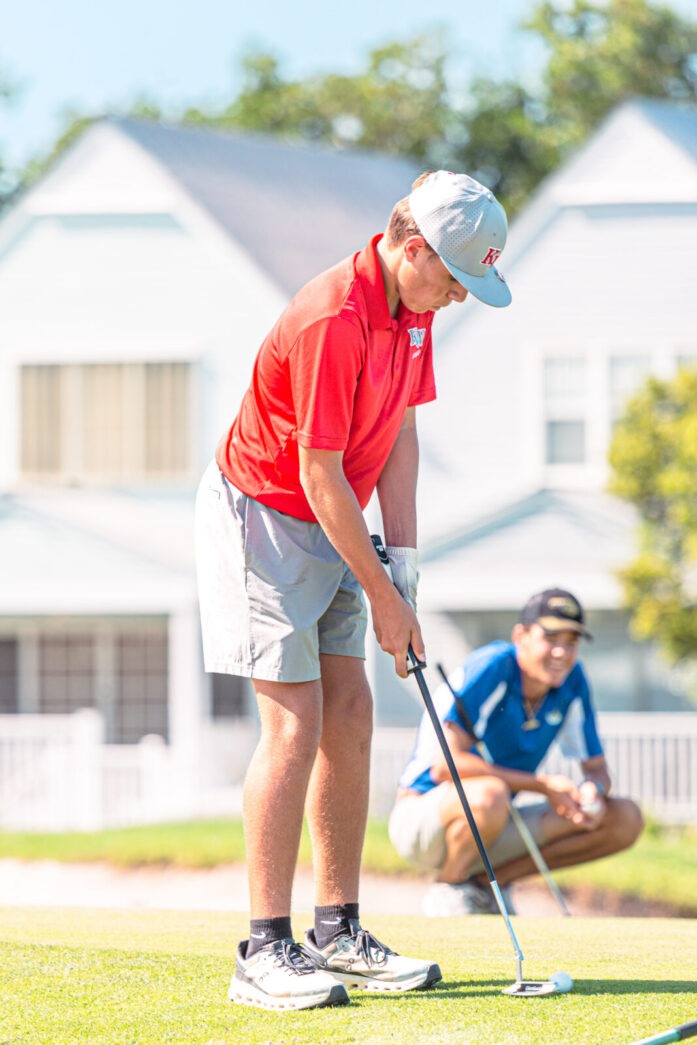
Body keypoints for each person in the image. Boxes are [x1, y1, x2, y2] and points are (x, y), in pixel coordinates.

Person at [195, 169, 512, 1010]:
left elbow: (400, 436)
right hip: (263, 516)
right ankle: (262, 951)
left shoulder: (414, 312)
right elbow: (319, 472)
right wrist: (380, 594)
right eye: (454, 278)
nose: (457, 297)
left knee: (353, 710)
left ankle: (337, 931)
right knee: (294, 721)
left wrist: (402, 567)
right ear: (414, 250)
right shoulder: (333, 316)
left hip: (331, 517)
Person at [388, 588, 644, 917]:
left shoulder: (572, 681)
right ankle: (448, 888)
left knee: (624, 818)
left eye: (571, 641)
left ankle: (484, 887)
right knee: (490, 795)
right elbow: (445, 767)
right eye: (551, 637)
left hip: (493, 820)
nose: (561, 652)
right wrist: (543, 786)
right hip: (423, 819)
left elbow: (597, 769)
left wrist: (591, 793)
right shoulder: (494, 666)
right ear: (521, 635)